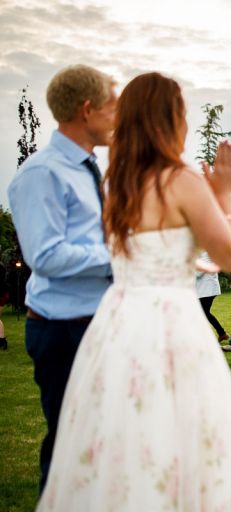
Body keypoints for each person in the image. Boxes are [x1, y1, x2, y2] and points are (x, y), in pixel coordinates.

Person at [36, 72, 231, 510]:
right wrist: (226, 195)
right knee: (181, 424)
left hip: (117, 323)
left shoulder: (114, 186)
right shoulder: (180, 179)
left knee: (119, 427)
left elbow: (141, 253)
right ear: (171, 119)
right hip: (171, 321)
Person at [8, 64, 116, 493]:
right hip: (62, 330)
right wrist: (120, 256)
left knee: (102, 446)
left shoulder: (89, 169)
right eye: (111, 105)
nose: (117, 116)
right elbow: (46, 255)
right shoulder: (43, 173)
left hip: (96, 323)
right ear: (87, 110)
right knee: (71, 451)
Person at [196, 251, 229, 342]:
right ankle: (221, 333)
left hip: (208, 289)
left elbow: (199, 272)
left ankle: (219, 334)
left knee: (203, 312)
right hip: (205, 289)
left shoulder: (205, 253)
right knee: (204, 312)